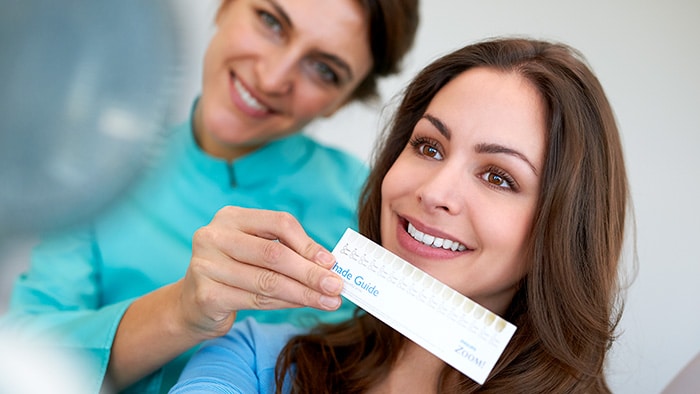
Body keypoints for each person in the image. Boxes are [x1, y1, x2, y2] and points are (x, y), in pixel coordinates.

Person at [169, 37, 631, 393]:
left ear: (566, 230)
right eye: (428, 146)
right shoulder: (254, 356)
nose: (433, 192)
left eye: (497, 177)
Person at [0, 0, 419, 393]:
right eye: (271, 22)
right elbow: (29, 352)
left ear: (342, 100)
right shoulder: (91, 168)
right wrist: (180, 312)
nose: (272, 78)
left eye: (324, 70)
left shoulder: (382, 214)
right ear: (225, 6)